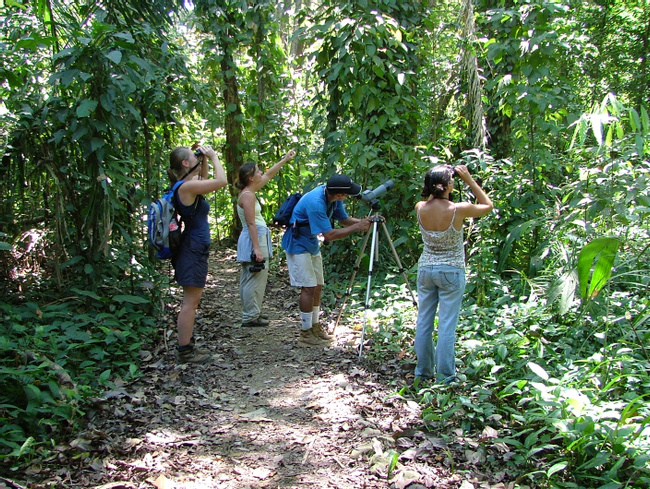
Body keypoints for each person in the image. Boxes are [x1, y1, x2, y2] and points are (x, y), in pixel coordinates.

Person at [414, 164, 493, 383]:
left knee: (424, 322)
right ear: (448, 185)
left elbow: (431, 196)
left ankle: (422, 374)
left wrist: (437, 179)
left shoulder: (420, 207)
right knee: (447, 325)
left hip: (426, 270)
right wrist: (468, 179)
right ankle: (445, 377)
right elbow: (487, 205)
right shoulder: (459, 209)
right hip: (451, 270)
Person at [281, 174, 372, 347]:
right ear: (339, 194)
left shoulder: (333, 197)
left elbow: (344, 220)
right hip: (297, 244)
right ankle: (305, 333)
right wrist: (357, 227)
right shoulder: (317, 202)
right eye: (347, 194)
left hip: (311, 243)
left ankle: (314, 327)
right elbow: (329, 236)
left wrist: (366, 222)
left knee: (317, 285)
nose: (348, 197)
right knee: (308, 287)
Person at [167, 145, 227, 364]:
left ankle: (187, 347)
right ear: (185, 163)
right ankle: (185, 351)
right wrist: (213, 156)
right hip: (192, 250)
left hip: (194, 248)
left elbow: (205, 179)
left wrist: (202, 160)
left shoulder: (186, 185)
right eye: (193, 157)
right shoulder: (186, 187)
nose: (197, 158)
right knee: (190, 303)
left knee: (191, 301)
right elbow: (221, 182)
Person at [235, 149, 296, 327]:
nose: (261, 172)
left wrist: (284, 159)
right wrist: (256, 248)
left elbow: (269, 174)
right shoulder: (247, 196)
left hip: (258, 236)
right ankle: (250, 316)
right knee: (254, 276)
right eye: (257, 170)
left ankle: (253, 312)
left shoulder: (250, 191)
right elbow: (250, 223)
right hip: (255, 238)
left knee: (255, 276)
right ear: (251, 178)